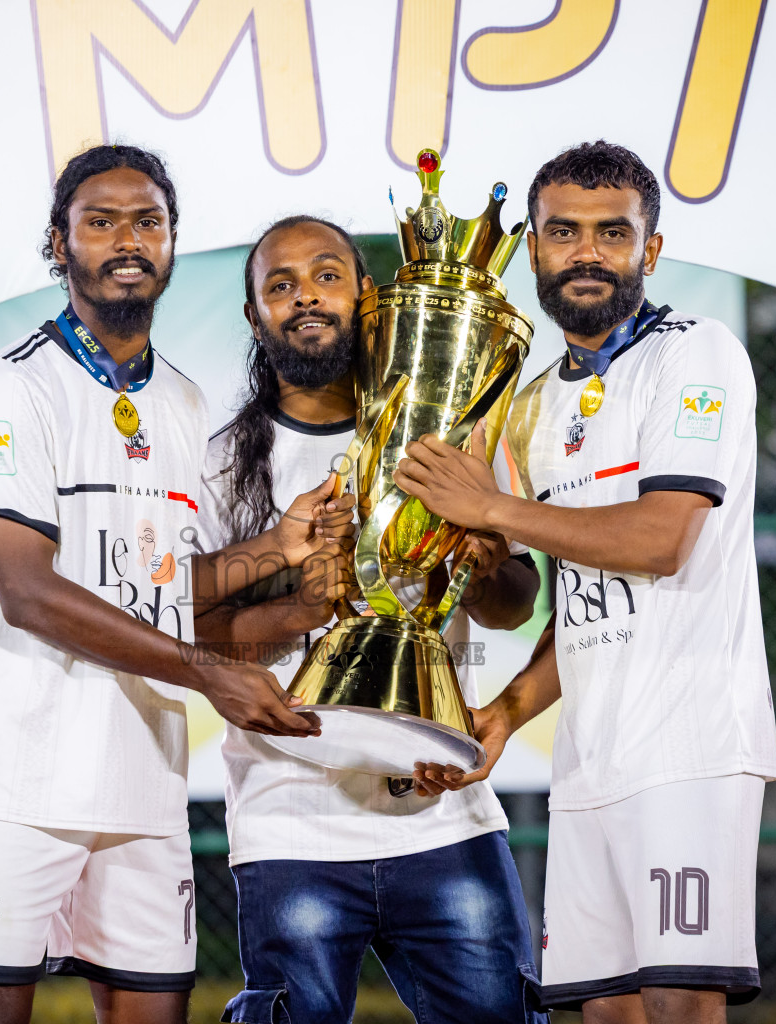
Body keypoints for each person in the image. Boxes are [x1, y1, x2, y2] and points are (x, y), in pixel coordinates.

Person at [0, 146, 352, 1024]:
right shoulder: (11, 388)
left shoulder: (185, 404)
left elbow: (160, 589)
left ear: (174, 244)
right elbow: (27, 593)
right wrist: (208, 672)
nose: (127, 240)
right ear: (58, 242)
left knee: (153, 1011)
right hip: (14, 774)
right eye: (101, 220)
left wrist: (280, 547)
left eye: (148, 221)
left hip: (143, 777)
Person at [394, 141, 776, 1023]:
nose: (588, 252)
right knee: (606, 1011)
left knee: (680, 1006)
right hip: (589, 755)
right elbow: (578, 602)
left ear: (650, 248)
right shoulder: (533, 402)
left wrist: (490, 508)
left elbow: (659, 540)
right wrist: (504, 715)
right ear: (532, 247)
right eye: (564, 231)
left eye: (614, 233)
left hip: (689, 748)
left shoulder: (697, 355)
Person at [194, 215, 548, 1024]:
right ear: (255, 315)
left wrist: (482, 556)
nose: (304, 297)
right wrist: (304, 596)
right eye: (278, 285)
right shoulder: (220, 461)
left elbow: (516, 605)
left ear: (369, 297)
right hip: (291, 818)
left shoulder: (446, 438)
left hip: (441, 806)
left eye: (326, 275)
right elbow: (202, 636)